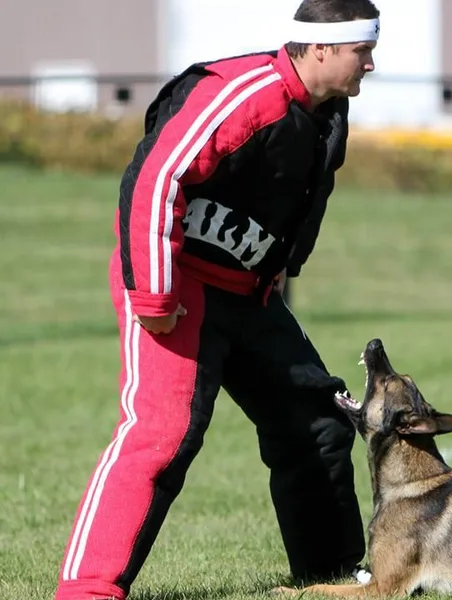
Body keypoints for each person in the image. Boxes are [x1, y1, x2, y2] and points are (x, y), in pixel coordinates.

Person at [54, 1, 380, 599]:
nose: (372, 63)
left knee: (317, 425)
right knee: (164, 435)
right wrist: (153, 294)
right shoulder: (242, 92)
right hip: (179, 285)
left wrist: (275, 272)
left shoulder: (328, 112)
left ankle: (331, 579)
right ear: (325, 48)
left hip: (248, 299)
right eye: (363, 51)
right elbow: (155, 178)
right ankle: (87, 589)